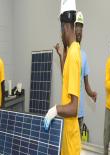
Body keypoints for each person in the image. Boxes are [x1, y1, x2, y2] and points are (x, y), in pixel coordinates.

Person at [44, 0, 81, 154]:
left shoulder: (73, 54)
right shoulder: (73, 50)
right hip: (67, 134)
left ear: (65, 27)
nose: (61, 35)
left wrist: (55, 110)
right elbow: (66, 78)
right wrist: (61, 56)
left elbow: (73, 108)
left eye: (61, 31)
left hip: (71, 141)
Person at [55, 11, 97, 134]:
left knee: (76, 144)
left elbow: (86, 83)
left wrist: (91, 93)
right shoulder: (69, 53)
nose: (79, 31)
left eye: (81, 29)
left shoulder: (83, 55)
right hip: (69, 109)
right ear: (73, 28)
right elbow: (64, 75)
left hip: (79, 110)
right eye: (77, 27)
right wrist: (61, 55)